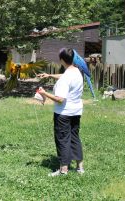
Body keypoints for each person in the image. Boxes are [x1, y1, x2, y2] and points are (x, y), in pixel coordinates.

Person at [37, 48, 85, 176]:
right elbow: (64, 76)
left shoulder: (65, 78)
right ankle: (80, 168)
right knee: (74, 138)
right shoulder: (77, 72)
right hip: (76, 111)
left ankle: (63, 170)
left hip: (63, 114)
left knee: (63, 140)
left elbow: (60, 99)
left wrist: (44, 93)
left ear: (62, 60)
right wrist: (49, 75)